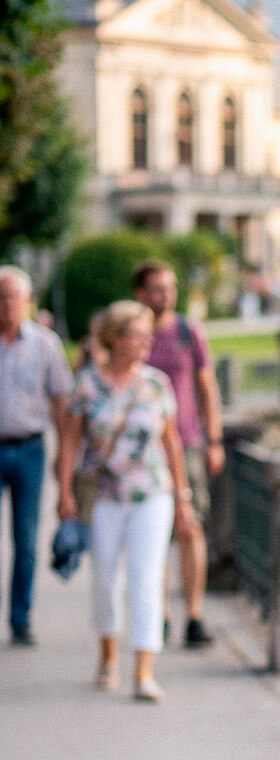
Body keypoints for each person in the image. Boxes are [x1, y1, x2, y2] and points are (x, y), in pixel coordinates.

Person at [57, 301, 195, 701]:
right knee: (105, 580)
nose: (147, 341)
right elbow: (68, 443)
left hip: (152, 493)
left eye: (148, 334)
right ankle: (108, 657)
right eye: (138, 334)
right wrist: (64, 493)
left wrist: (183, 498)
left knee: (146, 579)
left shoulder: (156, 385)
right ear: (115, 339)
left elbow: (172, 443)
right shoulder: (85, 384)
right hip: (102, 495)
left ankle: (144, 672)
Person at [131, 260, 224, 647]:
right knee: (153, 534)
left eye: (169, 287)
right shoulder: (130, 333)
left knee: (190, 528)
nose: (164, 296)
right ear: (140, 294)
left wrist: (214, 439)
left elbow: (207, 387)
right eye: (156, 289)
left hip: (186, 442)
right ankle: (161, 613)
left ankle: (194, 615)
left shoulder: (189, 332)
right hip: (142, 449)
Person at [0, 265, 74, 645]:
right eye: (1, 297)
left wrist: (64, 459)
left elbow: (61, 404)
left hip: (29, 448)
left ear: (27, 302)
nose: (6, 304)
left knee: (26, 540)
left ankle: (20, 617)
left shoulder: (45, 345)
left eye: (12, 296)